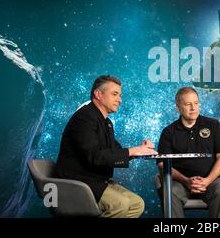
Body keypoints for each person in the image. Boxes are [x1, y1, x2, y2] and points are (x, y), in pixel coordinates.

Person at [55, 75, 158, 218]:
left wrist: (140, 150)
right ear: (98, 94)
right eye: (115, 94)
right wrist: (133, 151)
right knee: (120, 204)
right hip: (78, 183)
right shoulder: (84, 117)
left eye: (120, 95)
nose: (120, 100)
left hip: (97, 181)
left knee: (137, 204)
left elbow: (115, 153)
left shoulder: (106, 122)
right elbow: (95, 157)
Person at [157, 87, 220, 218]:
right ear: (178, 107)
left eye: (196, 103)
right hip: (180, 183)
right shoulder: (168, 132)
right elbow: (162, 164)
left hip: (211, 181)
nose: (193, 108)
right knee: (170, 191)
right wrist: (186, 181)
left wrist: (207, 181)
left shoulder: (213, 125)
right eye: (188, 104)